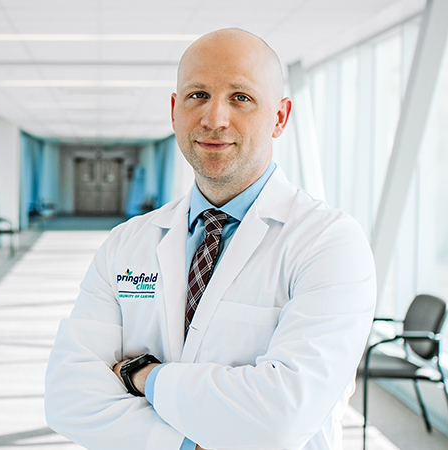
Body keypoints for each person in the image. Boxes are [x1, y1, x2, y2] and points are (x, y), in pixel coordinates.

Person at [45, 28, 376, 450]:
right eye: (197, 95)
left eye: (241, 97)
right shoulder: (125, 244)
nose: (214, 118)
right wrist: (187, 445)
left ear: (279, 116)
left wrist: (144, 375)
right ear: (174, 110)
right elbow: (68, 397)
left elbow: (282, 415)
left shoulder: (329, 243)